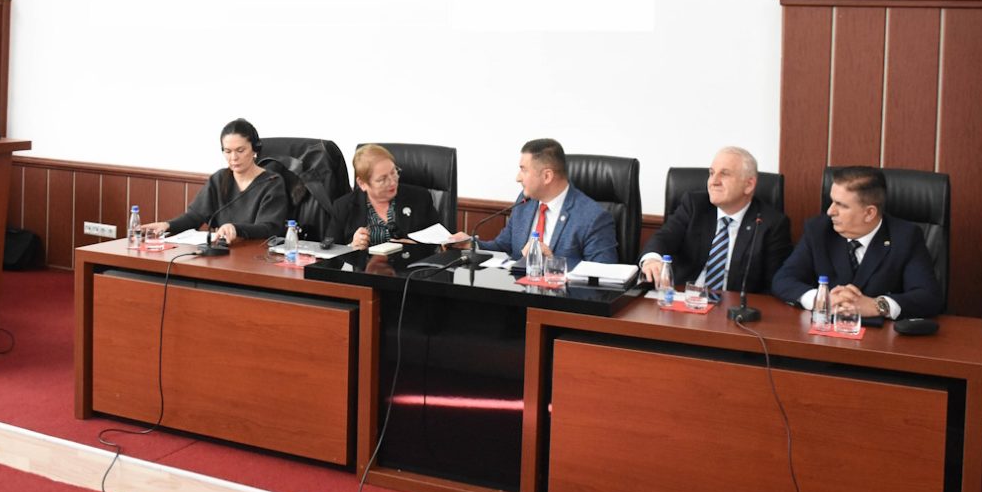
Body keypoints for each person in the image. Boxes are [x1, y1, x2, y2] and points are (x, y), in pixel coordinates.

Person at [771, 165, 942, 320]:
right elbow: (783, 279)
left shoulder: (905, 237)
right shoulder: (819, 230)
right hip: (826, 330)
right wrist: (822, 299)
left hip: (881, 337)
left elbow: (928, 297)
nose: (830, 211)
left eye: (841, 205)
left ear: (869, 213)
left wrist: (877, 305)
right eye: (832, 201)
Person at [639, 146, 791, 293]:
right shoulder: (694, 205)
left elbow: (774, 285)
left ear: (749, 184)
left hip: (733, 305)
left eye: (724, 174)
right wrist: (652, 259)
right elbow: (664, 238)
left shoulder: (771, 224)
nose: (714, 181)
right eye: (712, 173)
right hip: (683, 298)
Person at [142, 118, 289, 243]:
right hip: (223, 252)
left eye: (240, 150)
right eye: (228, 151)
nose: (233, 158)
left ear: (255, 149)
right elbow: (195, 216)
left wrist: (235, 229)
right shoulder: (219, 179)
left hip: (256, 257)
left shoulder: (272, 183)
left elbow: (269, 228)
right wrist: (168, 225)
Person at [476, 138, 617, 266]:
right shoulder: (525, 202)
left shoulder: (593, 218)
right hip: (518, 285)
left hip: (563, 288)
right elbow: (502, 246)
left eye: (524, 170)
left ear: (547, 176)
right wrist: (472, 245)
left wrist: (552, 263)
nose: (518, 178)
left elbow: (603, 274)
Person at [328, 144, 443, 249]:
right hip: (365, 266)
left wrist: (415, 248)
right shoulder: (343, 207)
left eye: (394, 172)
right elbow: (330, 253)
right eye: (382, 179)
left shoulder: (419, 198)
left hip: (411, 265)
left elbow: (439, 243)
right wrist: (351, 247)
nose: (392, 182)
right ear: (362, 184)